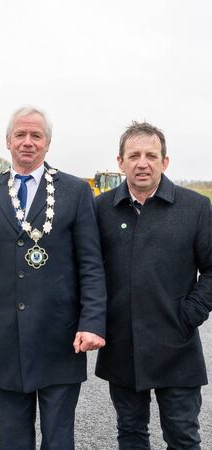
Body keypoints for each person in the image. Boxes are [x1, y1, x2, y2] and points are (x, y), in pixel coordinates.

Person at [0, 106, 107, 450]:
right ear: (8, 141)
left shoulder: (76, 192)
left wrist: (93, 322)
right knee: (14, 438)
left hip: (61, 336)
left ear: (47, 143)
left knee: (58, 438)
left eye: (36, 135)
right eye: (20, 134)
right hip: (8, 336)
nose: (27, 142)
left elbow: (91, 265)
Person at [95, 122, 212, 450]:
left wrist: (187, 316)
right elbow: (89, 269)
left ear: (165, 161)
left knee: (183, 436)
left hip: (177, 347)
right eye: (134, 155)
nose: (142, 162)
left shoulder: (196, 208)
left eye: (151, 155)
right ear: (120, 162)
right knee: (130, 434)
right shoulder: (101, 209)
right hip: (121, 346)